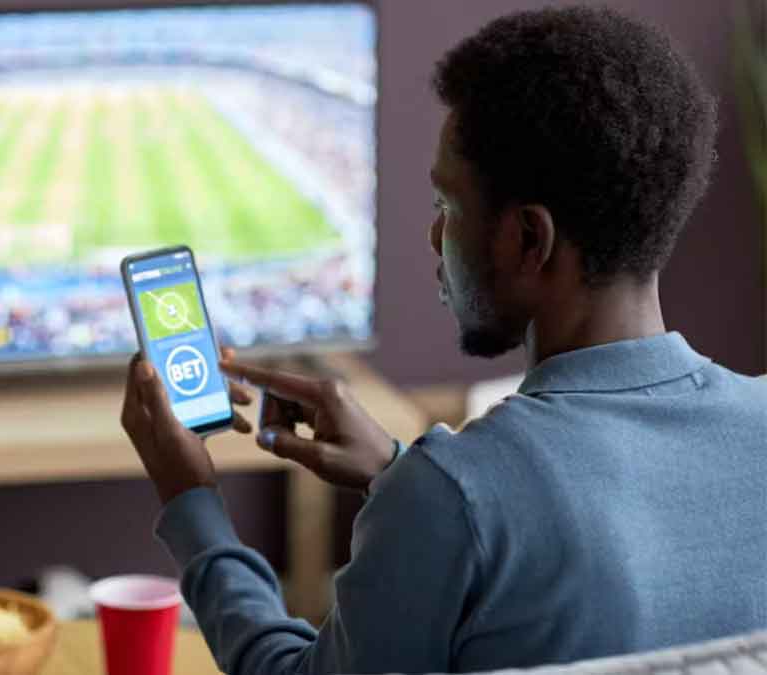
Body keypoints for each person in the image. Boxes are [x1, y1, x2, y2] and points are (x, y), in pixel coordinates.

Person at [119, 6, 767, 674]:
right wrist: (398, 472)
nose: (435, 237)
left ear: (527, 239)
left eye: (447, 206)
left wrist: (191, 502)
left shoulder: (450, 498)